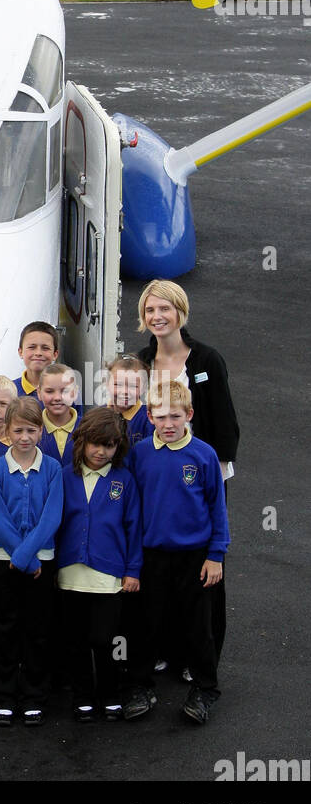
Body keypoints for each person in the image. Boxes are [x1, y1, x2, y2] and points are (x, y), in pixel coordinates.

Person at [136, 277, 238, 660]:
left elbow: (225, 423)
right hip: (155, 476)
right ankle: (162, 648)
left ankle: (202, 656)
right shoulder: (140, 362)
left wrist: (215, 474)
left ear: (181, 312)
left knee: (204, 571)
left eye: (165, 308)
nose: (157, 316)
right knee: (158, 572)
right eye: (150, 310)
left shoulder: (206, 361)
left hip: (199, 477)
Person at [124, 381, 229, 725]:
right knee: (146, 624)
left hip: (195, 557)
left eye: (175, 416)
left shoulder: (203, 455)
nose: (168, 424)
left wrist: (216, 554)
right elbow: (133, 508)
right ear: (149, 416)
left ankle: (205, 688)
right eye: (161, 416)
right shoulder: (139, 454)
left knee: (199, 626)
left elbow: (217, 508)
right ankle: (141, 685)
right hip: (151, 554)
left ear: (189, 415)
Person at [56, 408, 141, 721]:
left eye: (109, 445)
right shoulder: (64, 476)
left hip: (109, 577)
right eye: (95, 443)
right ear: (82, 441)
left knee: (105, 640)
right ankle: (82, 697)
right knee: (75, 641)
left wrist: (132, 571)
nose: (100, 451)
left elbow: (134, 527)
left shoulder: (124, 481)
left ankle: (110, 694)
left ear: (118, 448)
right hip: (69, 575)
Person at [0, 396, 63, 727]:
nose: (25, 437)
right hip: (6, 562)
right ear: (7, 432)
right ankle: (3, 696)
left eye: (32, 430)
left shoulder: (53, 468)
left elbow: (51, 517)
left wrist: (29, 558)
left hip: (40, 563)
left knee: (37, 629)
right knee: (4, 629)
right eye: (18, 430)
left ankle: (34, 696)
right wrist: (21, 557)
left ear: (41, 431)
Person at [37, 362, 83, 468]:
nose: (57, 397)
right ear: (39, 393)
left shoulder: (89, 429)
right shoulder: (30, 429)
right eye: (49, 391)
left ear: (75, 393)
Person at [104, 353, 151, 447]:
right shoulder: (98, 416)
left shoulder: (149, 420)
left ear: (144, 387)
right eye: (118, 385)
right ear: (107, 383)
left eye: (133, 386)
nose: (125, 391)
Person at [13, 321, 59, 398]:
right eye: (32, 347)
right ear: (20, 352)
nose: (38, 353)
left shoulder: (68, 392)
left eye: (45, 348)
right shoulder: (9, 392)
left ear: (55, 354)